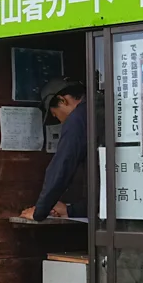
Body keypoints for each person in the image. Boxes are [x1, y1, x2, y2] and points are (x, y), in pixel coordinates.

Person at [20, 77, 88, 221]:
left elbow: (62, 166)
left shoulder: (77, 118)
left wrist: (40, 211)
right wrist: (70, 210)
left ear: (62, 100)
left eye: (56, 114)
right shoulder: (102, 107)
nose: (59, 121)